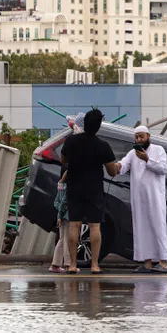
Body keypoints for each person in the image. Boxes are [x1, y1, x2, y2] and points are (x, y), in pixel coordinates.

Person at [61, 108, 118, 274]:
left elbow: (63, 159)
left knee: (74, 225)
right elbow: (112, 172)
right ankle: (94, 265)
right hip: (94, 189)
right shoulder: (103, 146)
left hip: (74, 186)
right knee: (94, 226)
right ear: (99, 126)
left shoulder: (71, 141)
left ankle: (72, 265)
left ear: (84, 123)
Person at [115, 126, 167, 274]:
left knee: (158, 227)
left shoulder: (159, 150)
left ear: (148, 136)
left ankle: (163, 263)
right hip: (139, 199)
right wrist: (116, 166)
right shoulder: (133, 153)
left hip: (155, 197)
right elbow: (124, 165)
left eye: (142, 136)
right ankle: (148, 263)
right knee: (141, 229)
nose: (139, 139)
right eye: (137, 137)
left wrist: (147, 159)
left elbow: (163, 169)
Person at [49, 112, 85, 273]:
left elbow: (60, 193)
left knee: (63, 237)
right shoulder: (70, 170)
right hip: (68, 208)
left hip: (63, 209)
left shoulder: (64, 167)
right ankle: (69, 263)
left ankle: (55, 264)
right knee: (70, 237)